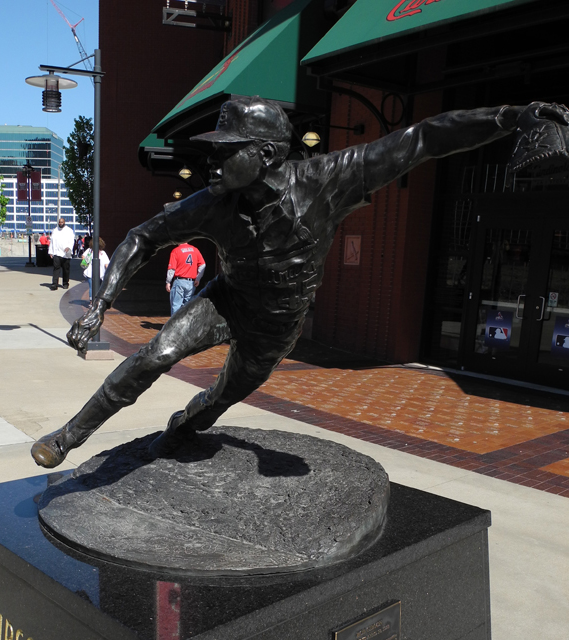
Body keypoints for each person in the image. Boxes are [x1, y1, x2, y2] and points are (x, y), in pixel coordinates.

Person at [32, 95, 569, 469]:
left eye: (226, 149)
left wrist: (510, 117)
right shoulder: (212, 204)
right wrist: (100, 305)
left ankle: (184, 428)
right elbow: (141, 237)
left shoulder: (328, 181)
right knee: (154, 355)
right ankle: (68, 437)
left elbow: (422, 138)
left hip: (277, 326)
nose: (212, 159)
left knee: (221, 398)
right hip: (226, 300)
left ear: (265, 155)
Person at [166, 243, 206, 315]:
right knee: (187, 307)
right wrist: (198, 278)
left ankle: (176, 326)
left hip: (179, 281)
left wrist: (168, 281)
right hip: (191, 283)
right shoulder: (195, 250)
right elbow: (203, 265)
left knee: (176, 306)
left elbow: (171, 269)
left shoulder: (176, 251)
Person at [49, 217, 75, 290]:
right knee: (56, 268)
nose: (60, 223)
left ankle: (65, 283)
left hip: (66, 254)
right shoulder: (55, 230)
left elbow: (71, 241)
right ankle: (54, 284)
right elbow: (52, 241)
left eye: (62, 222)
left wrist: (69, 247)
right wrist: (51, 252)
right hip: (56, 253)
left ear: (64, 222)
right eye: (59, 222)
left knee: (66, 269)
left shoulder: (69, 230)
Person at [81, 238, 110, 302]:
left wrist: (86, 259)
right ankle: (96, 300)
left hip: (90, 273)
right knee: (98, 287)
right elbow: (107, 264)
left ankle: (92, 301)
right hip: (100, 273)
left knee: (91, 287)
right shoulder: (102, 253)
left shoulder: (89, 250)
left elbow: (83, 256)